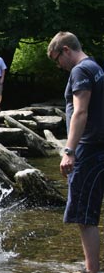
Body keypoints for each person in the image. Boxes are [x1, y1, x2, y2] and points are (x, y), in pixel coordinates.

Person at [48, 31, 104, 273]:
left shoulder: (80, 71)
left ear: (66, 50)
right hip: (99, 147)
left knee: (84, 216)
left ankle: (92, 270)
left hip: (89, 151)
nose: (58, 65)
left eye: (56, 58)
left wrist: (69, 150)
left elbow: (80, 112)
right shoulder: (96, 67)